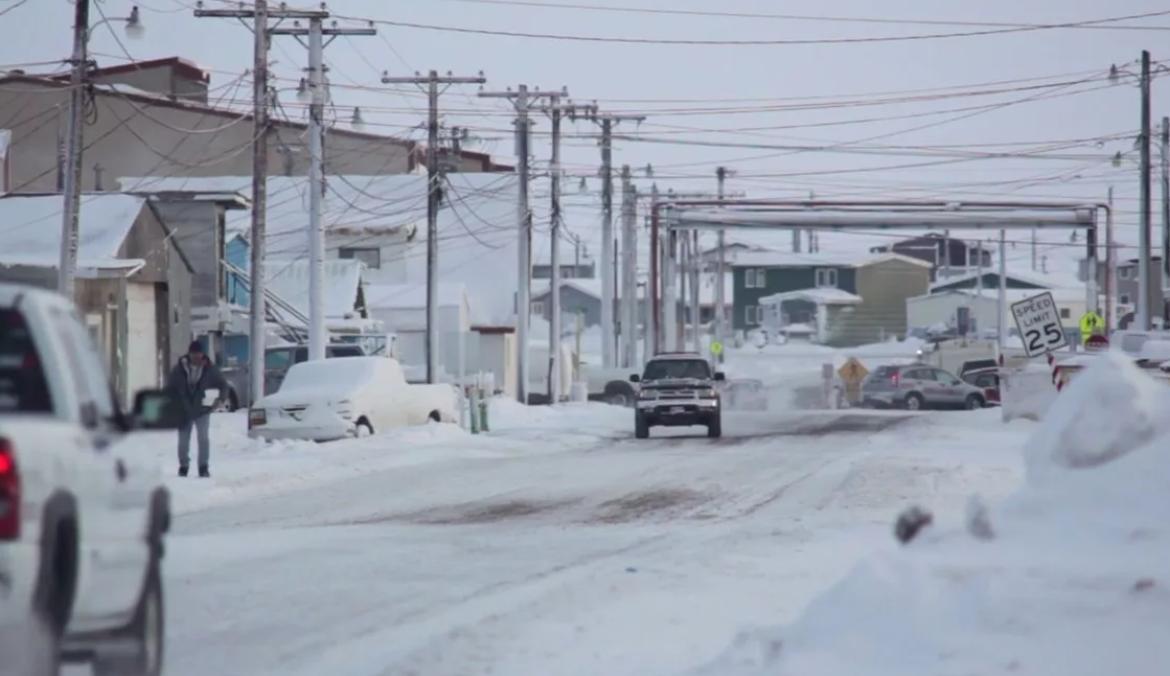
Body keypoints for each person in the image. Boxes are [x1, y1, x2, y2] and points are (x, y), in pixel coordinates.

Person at [167, 340, 226, 478]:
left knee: (203, 439)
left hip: (202, 410)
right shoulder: (180, 368)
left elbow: (223, 385)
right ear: (189, 354)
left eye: (199, 354)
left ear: (202, 354)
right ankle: (183, 466)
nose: (196, 357)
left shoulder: (210, 369)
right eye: (194, 354)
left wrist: (221, 399)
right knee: (183, 441)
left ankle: (203, 467)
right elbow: (170, 387)